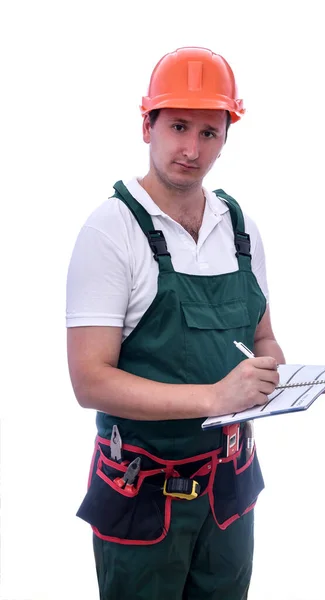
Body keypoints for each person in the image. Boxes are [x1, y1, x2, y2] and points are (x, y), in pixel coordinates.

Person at [66, 46, 285, 600]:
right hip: (143, 494)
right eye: (178, 126)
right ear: (148, 125)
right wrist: (214, 397)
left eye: (209, 132)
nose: (191, 149)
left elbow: (263, 337)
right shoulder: (111, 231)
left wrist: (273, 373)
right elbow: (89, 380)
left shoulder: (240, 229)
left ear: (227, 136)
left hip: (230, 490)